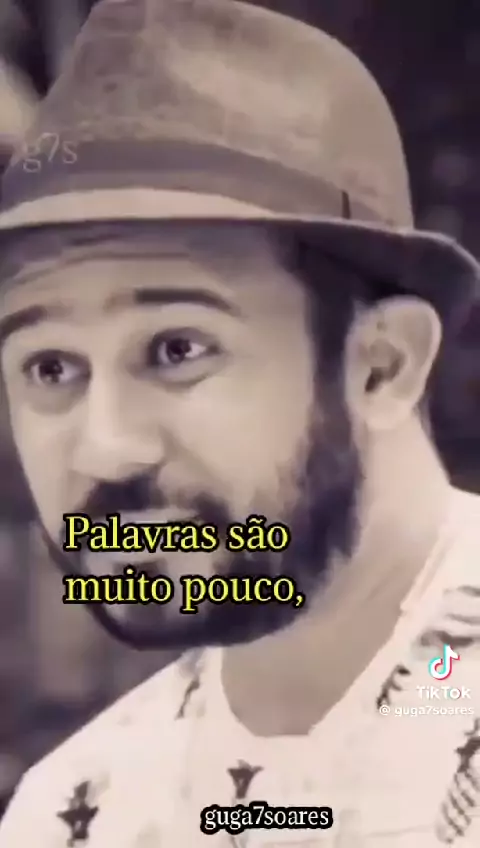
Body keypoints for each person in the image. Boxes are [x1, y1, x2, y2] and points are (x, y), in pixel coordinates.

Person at [0, 0, 479, 844]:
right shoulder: (76, 812)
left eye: (178, 348)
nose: (108, 447)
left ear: (382, 364)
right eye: (51, 368)